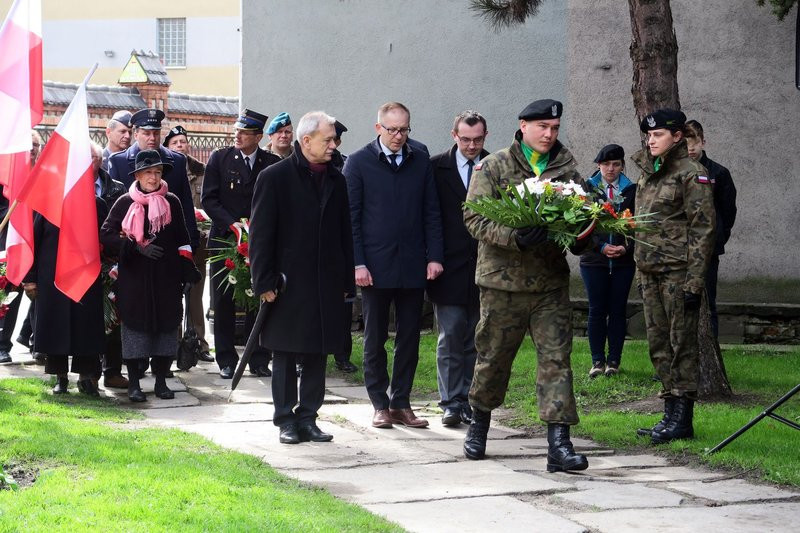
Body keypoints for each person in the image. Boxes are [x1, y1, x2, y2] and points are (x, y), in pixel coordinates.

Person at [462, 99, 590, 473]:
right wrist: (514, 236)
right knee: (493, 358)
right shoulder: (495, 165)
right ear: (523, 126)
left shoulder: (567, 169)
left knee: (556, 361)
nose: (549, 135)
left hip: (548, 285)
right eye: (542, 128)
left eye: (554, 128)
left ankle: (559, 445)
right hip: (502, 284)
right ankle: (479, 425)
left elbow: (583, 215)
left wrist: (582, 238)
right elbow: (473, 217)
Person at [250, 111, 355, 444]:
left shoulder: (337, 179)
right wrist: (263, 282)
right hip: (287, 282)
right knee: (284, 351)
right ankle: (285, 420)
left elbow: (344, 234)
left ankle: (308, 417)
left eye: (335, 140)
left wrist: (345, 283)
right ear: (306, 140)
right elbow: (261, 235)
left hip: (325, 281)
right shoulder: (274, 177)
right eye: (328, 139)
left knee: (317, 351)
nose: (333, 145)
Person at [344, 101, 443, 429]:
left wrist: (434, 256)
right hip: (374, 266)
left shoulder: (420, 160)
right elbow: (351, 220)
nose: (399, 136)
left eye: (404, 129)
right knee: (374, 337)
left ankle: (401, 402)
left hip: (413, 264)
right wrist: (358, 263)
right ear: (378, 129)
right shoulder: (358, 163)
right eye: (392, 130)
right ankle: (379, 403)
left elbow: (432, 211)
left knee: (410, 337)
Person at [632, 109, 715, 444]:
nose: (652, 140)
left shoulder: (692, 173)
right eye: (649, 136)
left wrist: (694, 281)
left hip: (677, 273)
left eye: (659, 135)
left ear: (677, 136)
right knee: (659, 345)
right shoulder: (649, 172)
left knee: (682, 345)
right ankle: (669, 414)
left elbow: (703, 229)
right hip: (650, 271)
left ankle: (682, 419)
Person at [100, 150, 201, 402]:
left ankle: (160, 382)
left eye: (157, 172)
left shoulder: (173, 202)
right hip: (134, 279)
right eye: (148, 173)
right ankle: (134, 383)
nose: (153, 178)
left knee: (165, 329)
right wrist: (136, 247)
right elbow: (106, 234)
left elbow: (183, 240)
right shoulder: (125, 202)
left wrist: (188, 270)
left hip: (166, 278)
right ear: (137, 175)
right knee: (135, 331)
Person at [202, 109, 280, 379]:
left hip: (259, 241)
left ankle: (258, 357)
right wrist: (233, 224)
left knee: (257, 298)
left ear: (258, 137)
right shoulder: (220, 158)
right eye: (237, 130)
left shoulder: (270, 163)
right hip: (226, 239)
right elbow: (209, 200)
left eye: (244, 132)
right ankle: (225, 358)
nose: (237, 135)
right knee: (223, 299)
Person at [427, 110, 490, 426]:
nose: (471, 145)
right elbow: (430, 216)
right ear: (454, 136)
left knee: (475, 337)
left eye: (478, 139)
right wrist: (432, 257)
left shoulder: (495, 166)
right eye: (465, 139)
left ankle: (469, 399)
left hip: (485, 266)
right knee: (451, 335)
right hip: (447, 265)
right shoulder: (436, 167)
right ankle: (450, 401)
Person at [22, 178, 107, 396]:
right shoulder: (46, 204)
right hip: (52, 276)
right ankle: (60, 377)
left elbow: (106, 238)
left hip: (86, 275)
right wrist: (30, 277)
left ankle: (87, 377)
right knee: (55, 327)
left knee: (86, 326)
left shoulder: (96, 204)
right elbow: (34, 241)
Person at [107, 108, 199, 253]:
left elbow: (186, 202)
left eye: (156, 133)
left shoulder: (177, 160)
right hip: (133, 243)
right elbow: (112, 206)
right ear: (136, 134)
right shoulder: (119, 161)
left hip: (169, 241)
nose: (152, 138)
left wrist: (191, 242)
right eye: (146, 133)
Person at [580, 144, 636, 378]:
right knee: (596, 310)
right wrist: (601, 246)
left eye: (615, 164)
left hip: (623, 261)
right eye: (606, 164)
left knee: (617, 310)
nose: (610, 169)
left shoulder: (633, 189)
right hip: (594, 261)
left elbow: (640, 225)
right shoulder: (588, 188)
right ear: (598, 165)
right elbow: (580, 224)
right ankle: (597, 361)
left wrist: (626, 247)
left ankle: (614, 360)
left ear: (622, 165)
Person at [163, 125, 214, 362]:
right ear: (167, 147)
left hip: (198, 244)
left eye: (183, 141)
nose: (180, 145)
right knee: (172, 294)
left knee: (195, 294)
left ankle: (199, 343)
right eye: (175, 143)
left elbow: (210, 202)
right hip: (172, 244)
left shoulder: (202, 171)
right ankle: (173, 343)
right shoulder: (165, 171)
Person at [684, 120, 737, 338]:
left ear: (703, 142)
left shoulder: (718, 173)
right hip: (680, 248)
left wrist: (718, 237)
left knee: (708, 300)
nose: (691, 149)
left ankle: (710, 348)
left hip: (708, 249)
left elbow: (728, 210)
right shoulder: (679, 173)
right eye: (687, 145)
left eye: (695, 143)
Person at [0, 130, 42, 364]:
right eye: (28, 145)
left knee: (39, 295)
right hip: (13, 241)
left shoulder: (43, 175)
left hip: (40, 243)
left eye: (35, 145)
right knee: (10, 294)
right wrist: (17, 216)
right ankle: (3, 345)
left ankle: (39, 343)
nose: (31, 149)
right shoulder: (6, 176)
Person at [90, 142, 129, 389]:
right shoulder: (72, 188)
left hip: (112, 262)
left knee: (114, 318)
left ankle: (112, 370)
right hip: (84, 262)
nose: (91, 161)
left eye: (94, 156)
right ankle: (90, 370)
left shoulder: (117, 188)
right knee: (91, 319)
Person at [327, 119, 357, 373]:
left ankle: (342, 355)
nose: (332, 144)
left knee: (344, 306)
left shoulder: (345, 163)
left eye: (335, 139)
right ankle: (306, 359)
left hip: (340, 239)